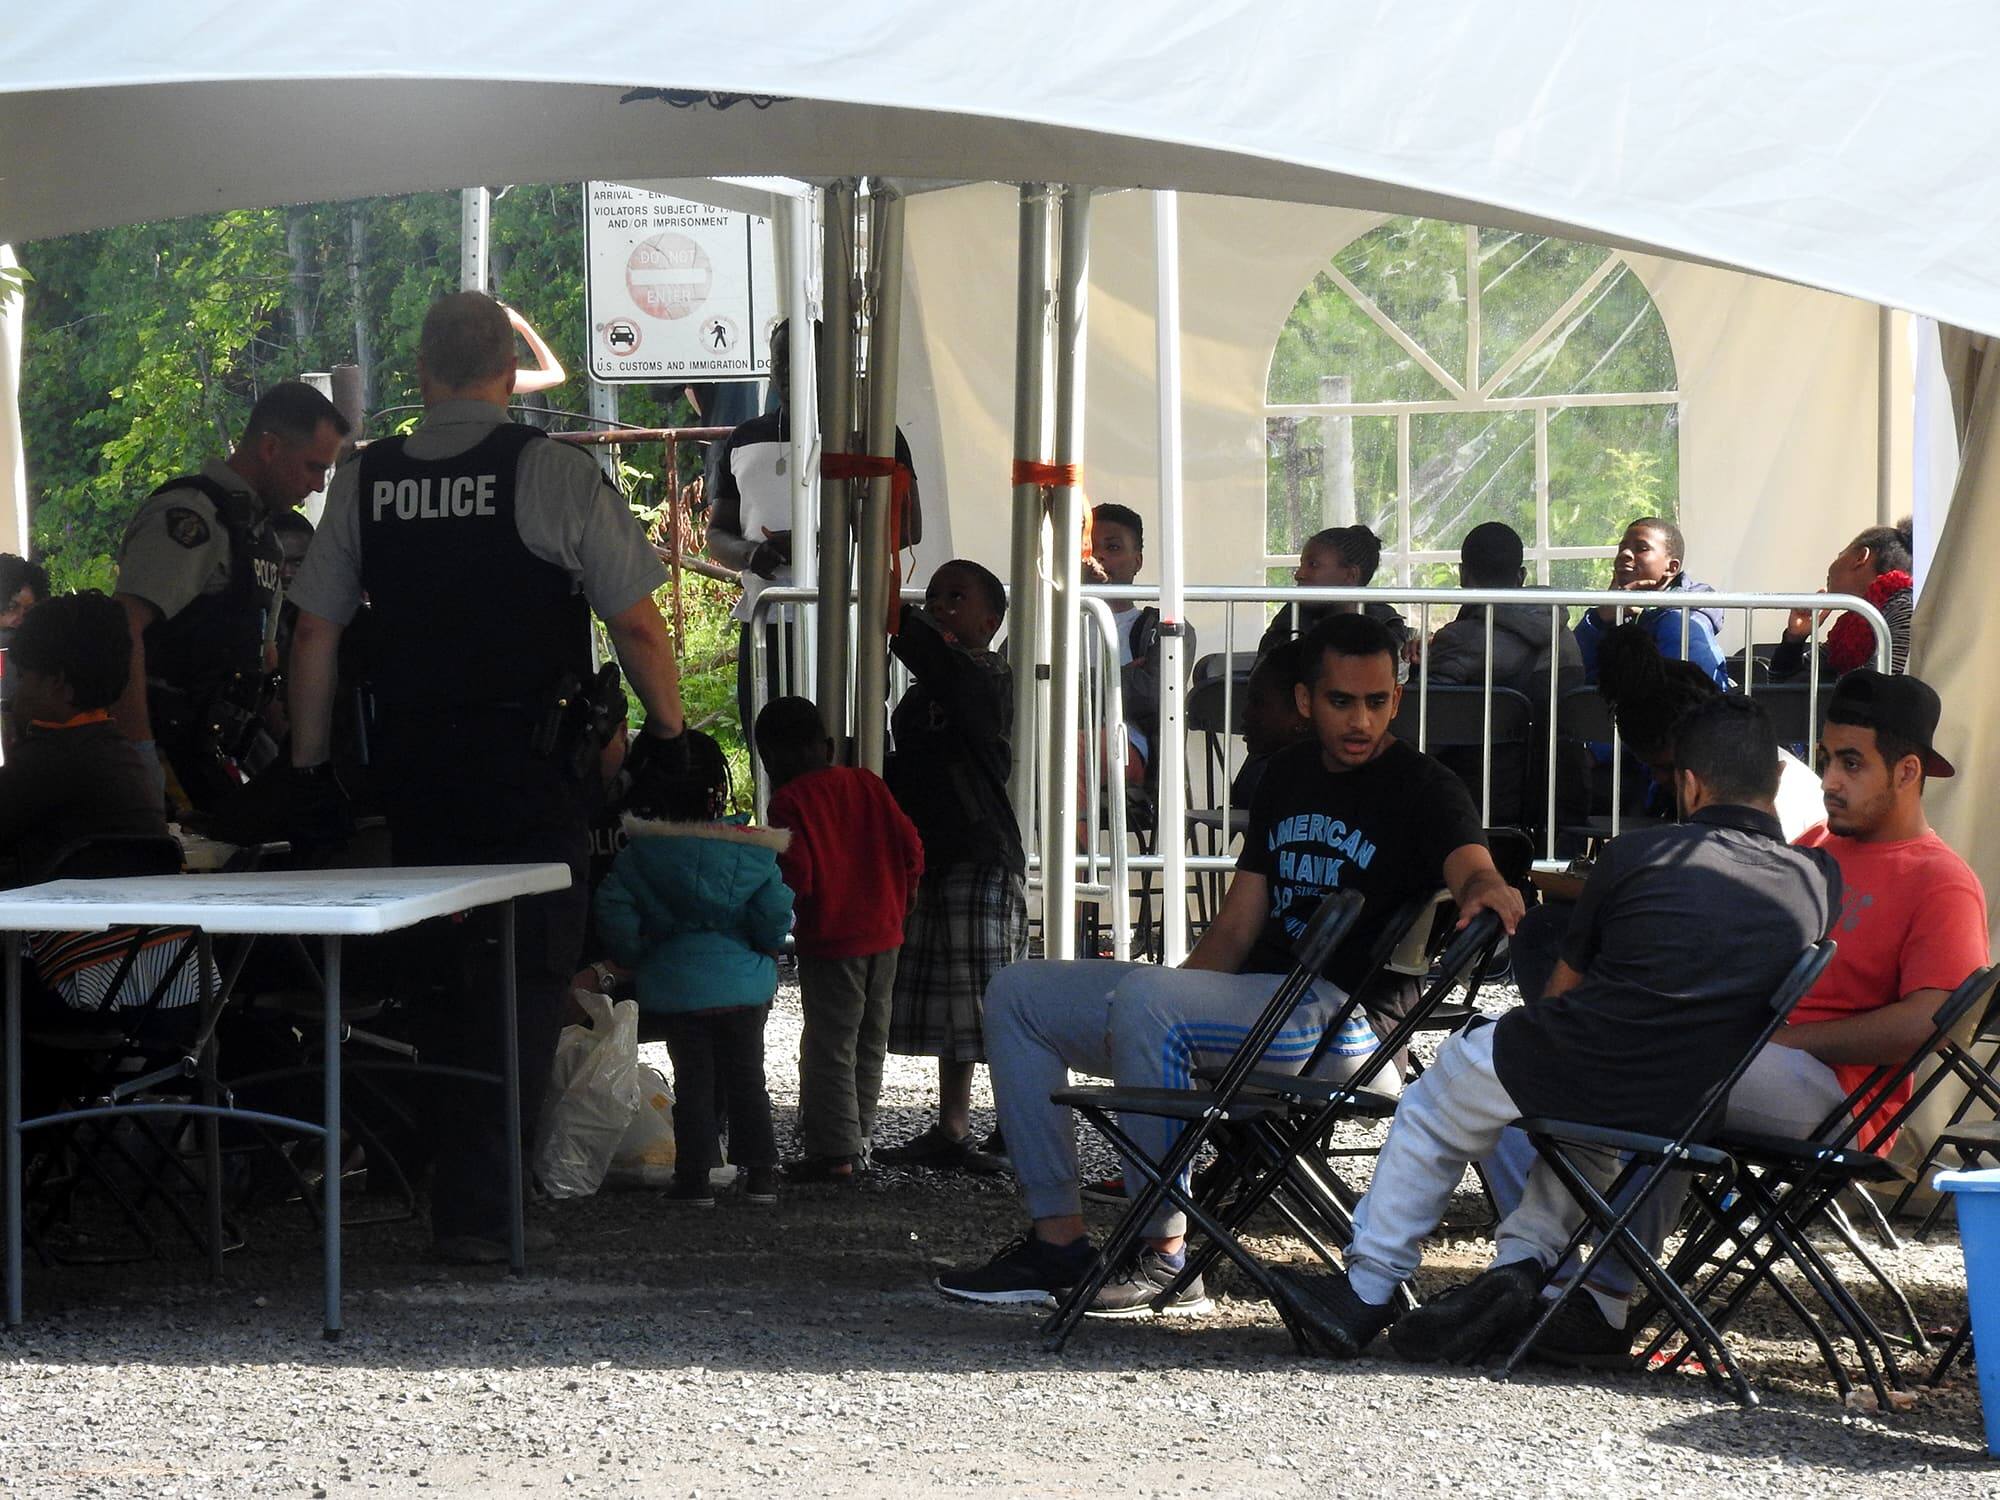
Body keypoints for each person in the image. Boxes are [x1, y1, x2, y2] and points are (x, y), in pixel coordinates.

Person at [933, 613, 1524, 1315]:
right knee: (1019, 991)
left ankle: (1164, 1255)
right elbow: (1236, 926)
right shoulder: (1286, 775)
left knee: (1150, 1001)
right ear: (1307, 700)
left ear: (1397, 700)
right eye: (1341, 701)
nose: (1360, 720)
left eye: (1376, 701)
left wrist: (1487, 888)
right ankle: (1057, 1242)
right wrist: (1160, 995)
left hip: (1349, 1025)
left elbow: (1472, 866)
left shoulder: (1425, 787)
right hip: (1256, 1005)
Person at [286, 290, 689, 1264]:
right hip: (529, 774)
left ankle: (450, 1188)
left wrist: (307, 769)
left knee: (437, 975)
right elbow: (636, 624)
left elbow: (313, 633)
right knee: (525, 977)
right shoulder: (550, 471)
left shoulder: (367, 479)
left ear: (422, 374)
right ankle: (485, 1207)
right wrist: (670, 734)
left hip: (418, 771)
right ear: (510, 374)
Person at [1273, 696, 1839, 1364]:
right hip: (1696, 1095)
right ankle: (1525, 1260)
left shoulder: (1637, 855)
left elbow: (1561, 996)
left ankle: (1366, 1288)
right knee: (1583, 1129)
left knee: (1438, 1102)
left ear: (1689, 785)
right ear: (1777, 782)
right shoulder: (1818, 881)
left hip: (1592, 1053)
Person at [1500, 668, 1987, 1365]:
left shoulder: (1942, 880)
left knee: (1660, 1059)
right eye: (1826, 757)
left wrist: (1785, 1038)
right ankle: (1536, 1277)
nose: (1830, 778)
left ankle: (1595, 1298)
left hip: (1841, 1100)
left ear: (1908, 771)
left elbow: (1933, 1025)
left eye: (1852, 763)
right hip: (1743, 1061)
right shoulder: (1813, 848)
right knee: (1549, 1061)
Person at [1510, 623, 1826, 1003]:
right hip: (1730, 954)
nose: (1664, 781)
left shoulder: (1768, 802)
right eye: (1653, 770)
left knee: (1551, 933)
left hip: (1735, 967)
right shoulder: (1746, 774)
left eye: (1665, 769)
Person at [113, 382, 349, 814]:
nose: (317, 486)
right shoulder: (191, 519)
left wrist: (300, 758)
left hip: (219, 753)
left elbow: (264, 662)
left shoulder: (262, 538)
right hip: (169, 751)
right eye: (313, 468)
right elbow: (123, 629)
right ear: (270, 447)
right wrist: (139, 751)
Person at [706, 319, 919, 786]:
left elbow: (909, 527)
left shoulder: (873, 435)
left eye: (806, 356)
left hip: (850, 619)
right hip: (769, 621)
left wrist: (821, 541)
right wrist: (751, 553)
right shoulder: (744, 437)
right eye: (781, 358)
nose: (789, 369)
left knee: (850, 742)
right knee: (773, 749)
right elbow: (716, 533)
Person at [873, 560, 1026, 1174]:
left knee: (986, 998)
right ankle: (953, 1124)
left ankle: (1017, 1123)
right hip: (934, 850)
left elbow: (943, 668)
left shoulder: (986, 674)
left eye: (956, 597)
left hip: (979, 849)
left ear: (991, 621)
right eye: (933, 595)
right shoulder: (925, 692)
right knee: (953, 1000)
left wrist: (900, 618)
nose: (940, 605)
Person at [595, 728, 791, 1208]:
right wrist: (764, 949)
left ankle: (694, 1180)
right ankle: (761, 1176)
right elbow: (774, 913)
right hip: (744, 987)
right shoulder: (752, 851)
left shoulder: (640, 855)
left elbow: (613, 911)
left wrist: (639, 953)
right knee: (748, 1079)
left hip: (677, 986)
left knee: (693, 1082)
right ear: (717, 792)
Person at [757, 695, 925, 1182]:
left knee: (831, 1044)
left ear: (768, 759)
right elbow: (911, 847)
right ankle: (861, 1137)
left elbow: (798, 876)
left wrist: (776, 920)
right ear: (828, 747)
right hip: (885, 932)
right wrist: (905, 895)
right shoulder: (867, 783)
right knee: (871, 1039)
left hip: (831, 938)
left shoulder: (787, 802)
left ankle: (835, 1152)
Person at [1083, 504, 1194, 787]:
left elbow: (1153, 694)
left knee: (1072, 753)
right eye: (1089, 546)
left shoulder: (1160, 628)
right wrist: (1125, 676)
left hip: (1124, 744)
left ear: (1137, 561)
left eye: (1113, 547)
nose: (1098, 555)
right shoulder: (1049, 623)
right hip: (1056, 736)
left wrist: (1068, 685)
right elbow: (1016, 683)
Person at [1426, 521, 1582, 699]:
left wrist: (1419, 663)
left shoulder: (1456, 640)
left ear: (1463, 575)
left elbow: (1431, 705)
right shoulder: (1565, 639)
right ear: (1521, 576)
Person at [1571, 517, 1728, 690]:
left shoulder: (1682, 619)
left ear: (1671, 568)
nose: (1624, 554)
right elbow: (1575, 675)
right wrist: (1599, 618)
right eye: (1622, 548)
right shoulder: (1614, 611)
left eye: (1641, 549)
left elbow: (1689, 690)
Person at [1771, 521, 1914, 680]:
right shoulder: (1850, 628)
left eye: (1840, 555)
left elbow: (1880, 687)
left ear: (1861, 557)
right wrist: (1794, 640)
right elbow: (1787, 686)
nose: (1830, 569)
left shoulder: (1904, 609)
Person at [1256, 525, 1410, 663]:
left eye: (1313, 565)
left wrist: (1416, 657)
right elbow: (1263, 681)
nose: (1299, 574)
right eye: (1301, 564)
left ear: (1350, 575)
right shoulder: (1289, 623)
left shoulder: (1388, 628)